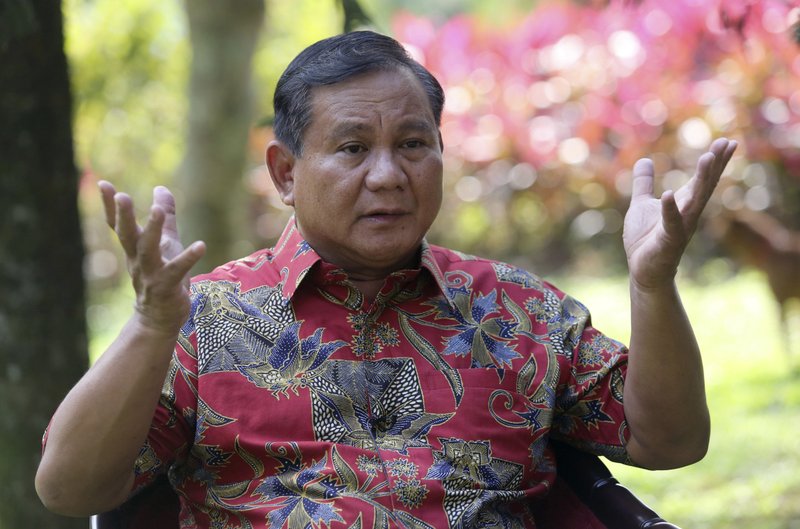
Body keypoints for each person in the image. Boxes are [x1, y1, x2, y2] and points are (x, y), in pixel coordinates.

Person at [36, 30, 737, 528]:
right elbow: (69, 488)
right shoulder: (208, 317)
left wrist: (654, 288)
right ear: (286, 172)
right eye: (352, 147)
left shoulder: (514, 310)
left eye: (412, 144)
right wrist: (153, 322)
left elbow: (669, 442)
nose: (387, 175)